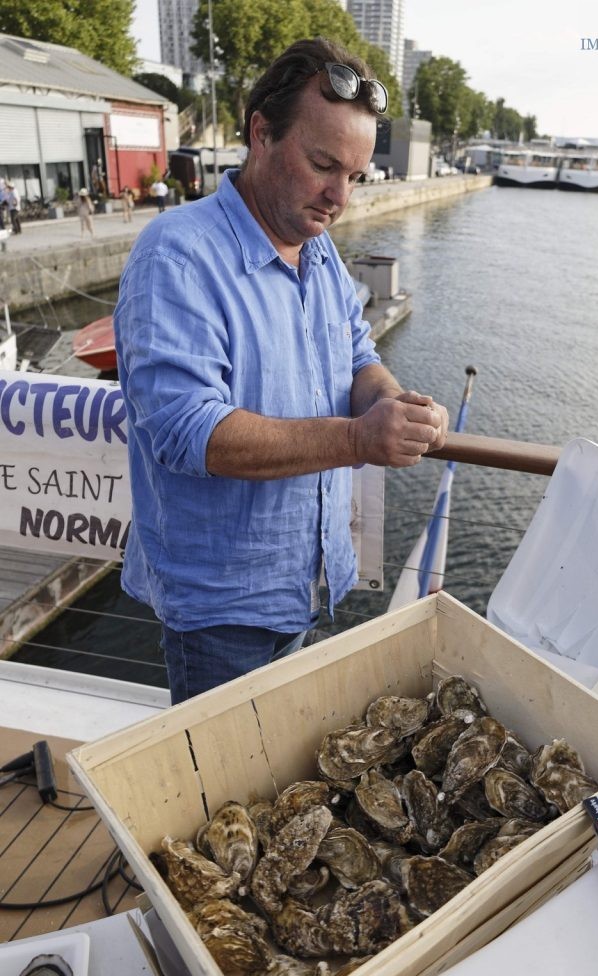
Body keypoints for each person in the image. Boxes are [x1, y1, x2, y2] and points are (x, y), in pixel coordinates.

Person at [114, 37, 449, 705]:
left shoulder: (318, 250)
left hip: (309, 579)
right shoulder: (177, 255)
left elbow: (358, 355)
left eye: (355, 176)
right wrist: (359, 439)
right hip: (220, 609)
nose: (339, 197)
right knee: (230, 796)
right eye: (323, 164)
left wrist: (395, 402)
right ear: (260, 133)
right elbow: (188, 433)